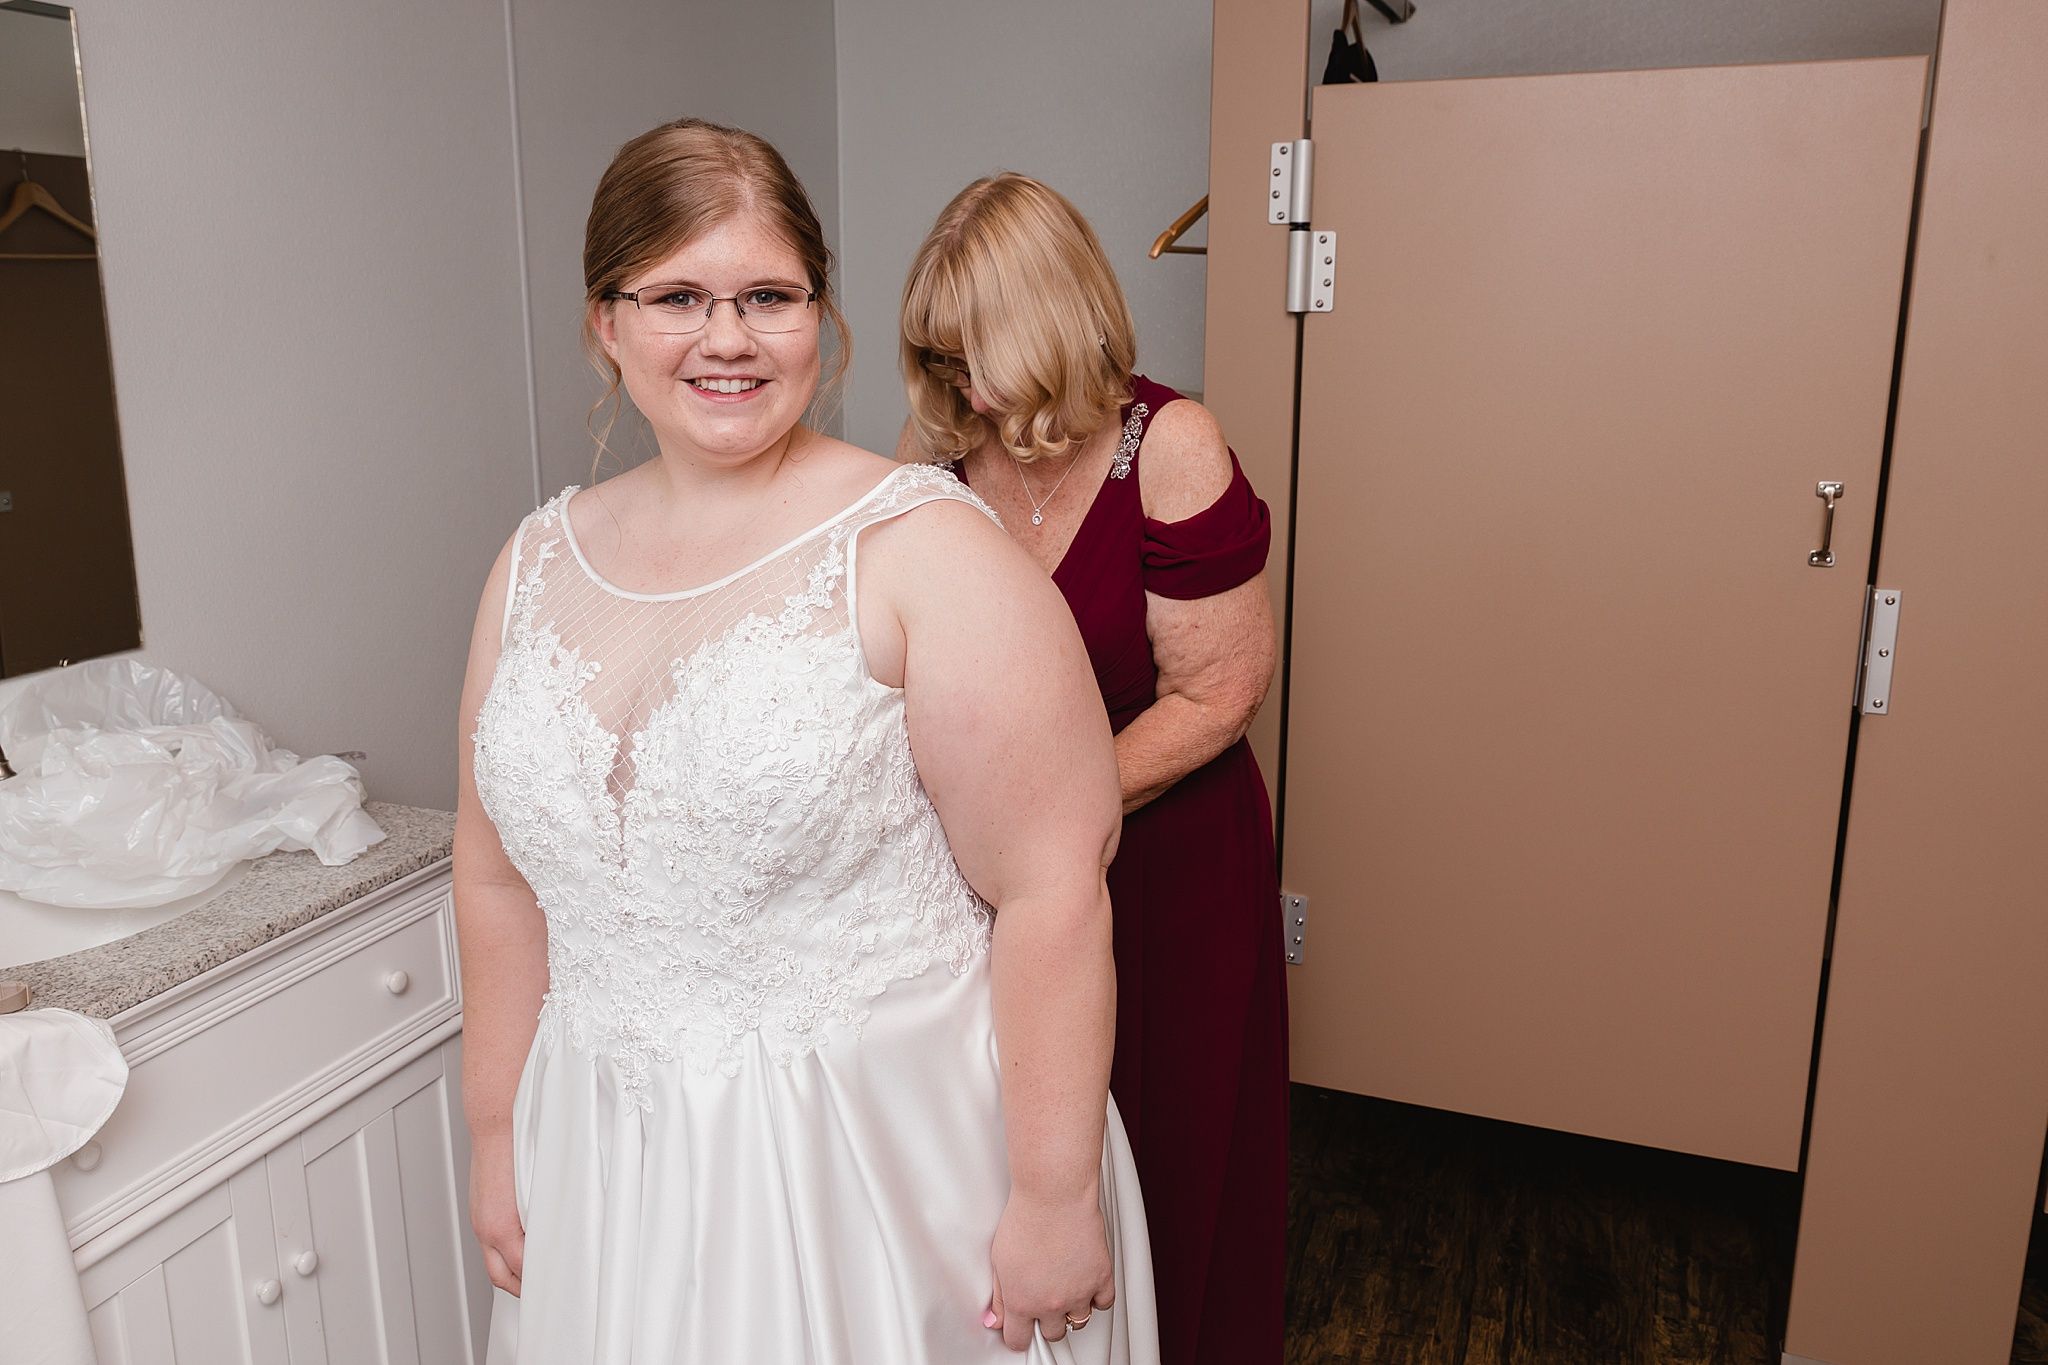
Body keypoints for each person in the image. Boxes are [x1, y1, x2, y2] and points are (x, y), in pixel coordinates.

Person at [453, 120, 1160, 1364]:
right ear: (605, 323)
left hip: (863, 1166)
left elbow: (1053, 886)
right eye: (678, 296)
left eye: (767, 297)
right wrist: (498, 1130)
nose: (726, 338)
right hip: (605, 1157)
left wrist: (1055, 1197)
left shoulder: (922, 550)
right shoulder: (532, 564)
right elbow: (496, 877)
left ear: (820, 321)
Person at [898, 173, 1287, 1365]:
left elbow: (1216, 696)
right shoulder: (938, 451)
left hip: (1165, 864)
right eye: (942, 359)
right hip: (989, 876)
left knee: (1164, 1151)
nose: (965, 390)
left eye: (983, 358)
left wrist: (1032, 817)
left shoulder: (1171, 446)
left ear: (1060, 325)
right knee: (1012, 1151)